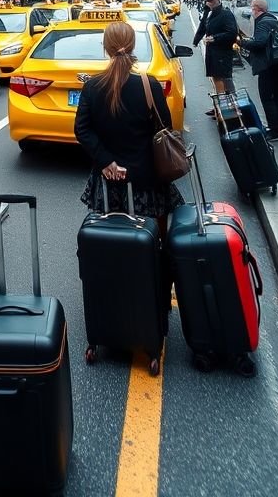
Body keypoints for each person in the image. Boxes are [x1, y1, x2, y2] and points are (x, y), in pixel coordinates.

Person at [74, 20, 183, 375]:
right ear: (133, 46)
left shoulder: (92, 88)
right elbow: (163, 129)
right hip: (147, 184)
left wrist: (106, 162)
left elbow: (82, 129)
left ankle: (108, 307)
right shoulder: (149, 86)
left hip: (108, 185)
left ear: (105, 48)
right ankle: (154, 307)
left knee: (108, 247)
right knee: (155, 247)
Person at [237, 0, 278, 141]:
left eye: (252, 7)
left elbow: (259, 43)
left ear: (256, 8)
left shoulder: (263, 23)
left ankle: (274, 130)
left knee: (267, 98)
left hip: (268, 65)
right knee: (277, 98)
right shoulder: (273, 20)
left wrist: (241, 42)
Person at [192, 0, 237, 115]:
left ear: (216, 1)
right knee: (217, 79)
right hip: (213, 52)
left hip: (222, 52)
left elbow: (232, 33)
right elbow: (203, 26)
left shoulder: (226, 14)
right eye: (207, 2)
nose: (208, 4)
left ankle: (224, 108)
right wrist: (196, 40)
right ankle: (221, 106)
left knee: (220, 79)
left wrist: (214, 38)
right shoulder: (210, 13)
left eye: (210, 2)